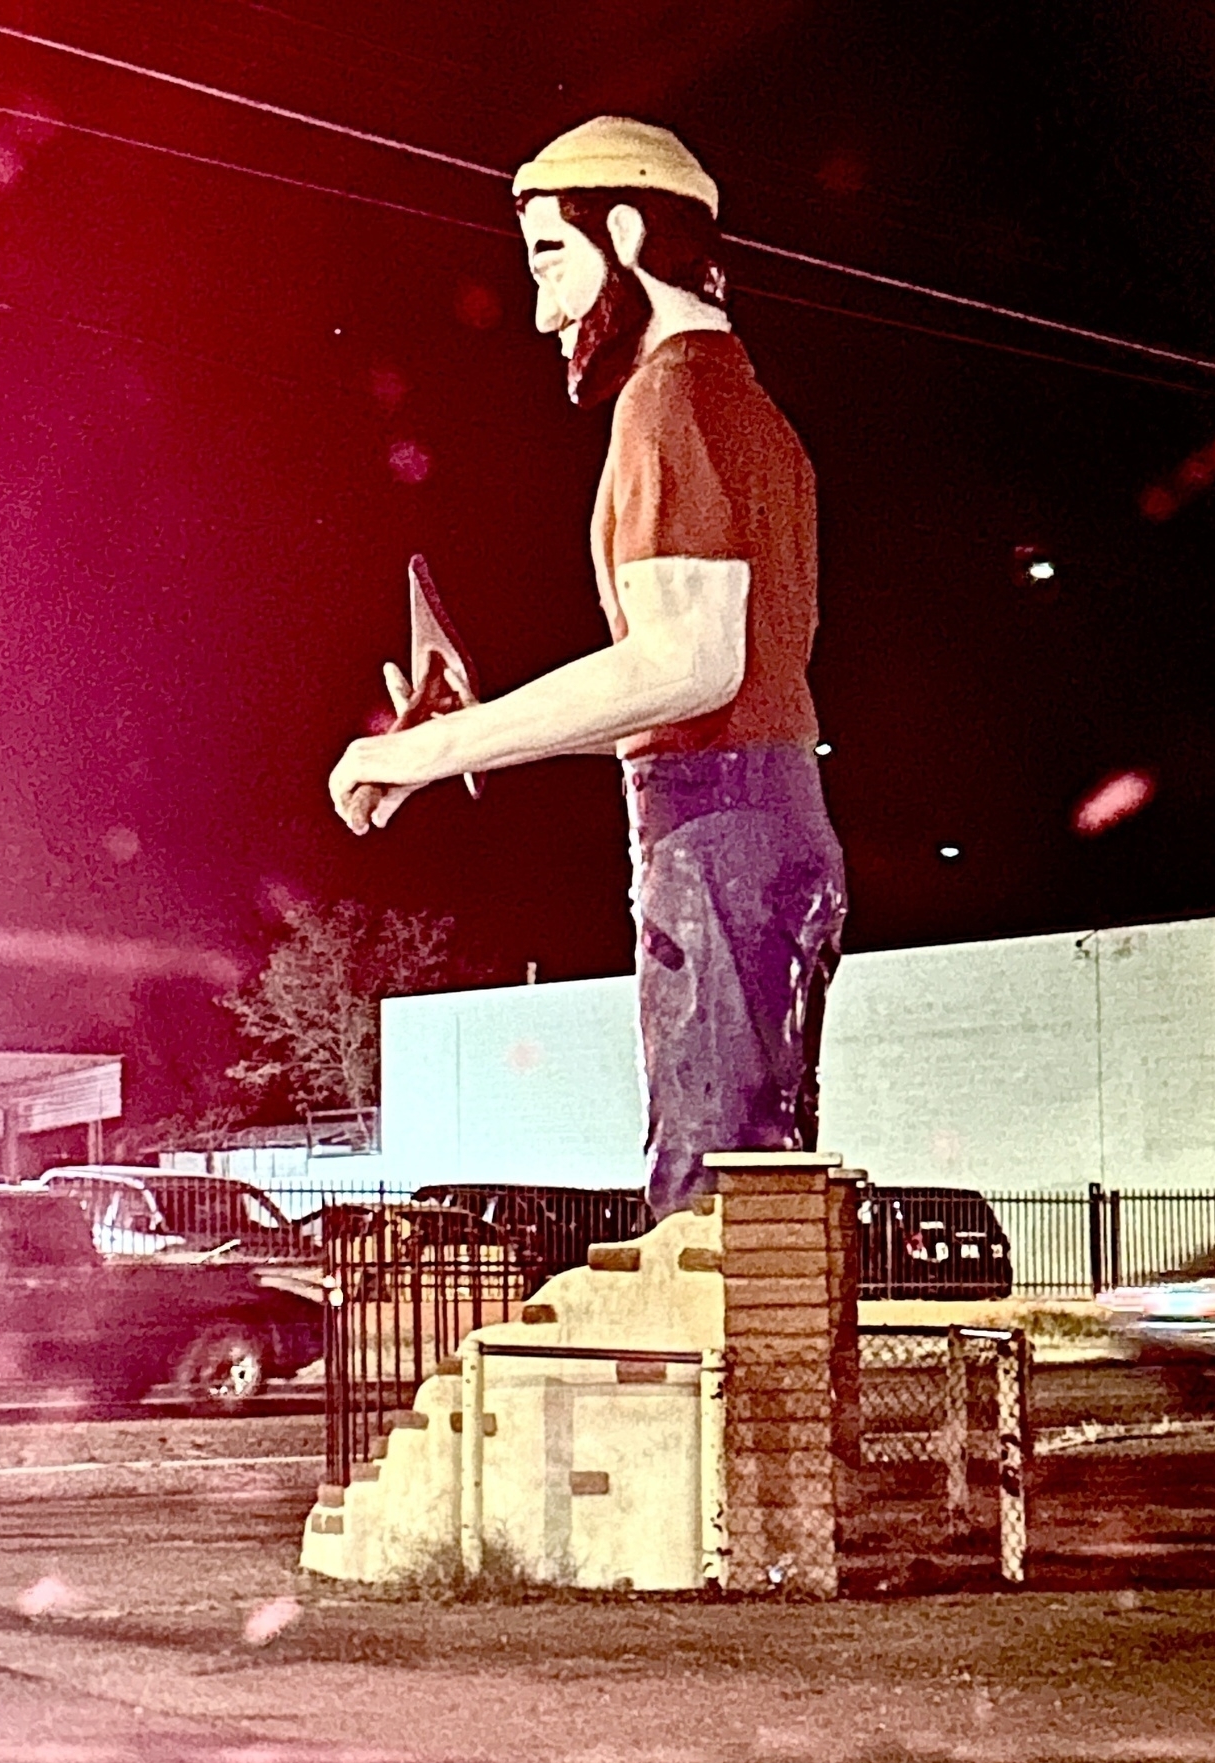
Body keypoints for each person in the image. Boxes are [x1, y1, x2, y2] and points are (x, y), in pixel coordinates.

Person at [327, 116, 847, 1217]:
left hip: (714, 818)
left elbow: (688, 666)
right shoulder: (750, 408)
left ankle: (716, 1387)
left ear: (621, 228)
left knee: (713, 1209)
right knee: (752, 1186)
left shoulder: (674, 401)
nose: (542, 311)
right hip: (752, 810)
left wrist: (444, 745)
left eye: (549, 261)